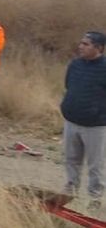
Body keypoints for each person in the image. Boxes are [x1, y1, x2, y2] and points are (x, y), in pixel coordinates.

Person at [60, 31, 106, 210]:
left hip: (96, 125)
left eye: (86, 44)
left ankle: (95, 197)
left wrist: (98, 111)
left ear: (99, 48)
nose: (81, 47)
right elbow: (68, 85)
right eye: (81, 43)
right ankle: (70, 188)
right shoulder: (75, 64)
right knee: (71, 159)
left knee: (95, 164)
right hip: (71, 120)